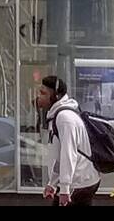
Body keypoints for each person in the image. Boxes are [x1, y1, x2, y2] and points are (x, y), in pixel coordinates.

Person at [38, 75, 101, 207]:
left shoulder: (65, 118)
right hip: (81, 180)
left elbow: (68, 153)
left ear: (55, 96)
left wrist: (65, 189)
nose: (39, 97)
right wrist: (53, 183)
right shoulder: (58, 115)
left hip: (79, 182)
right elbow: (60, 157)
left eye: (43, 93)